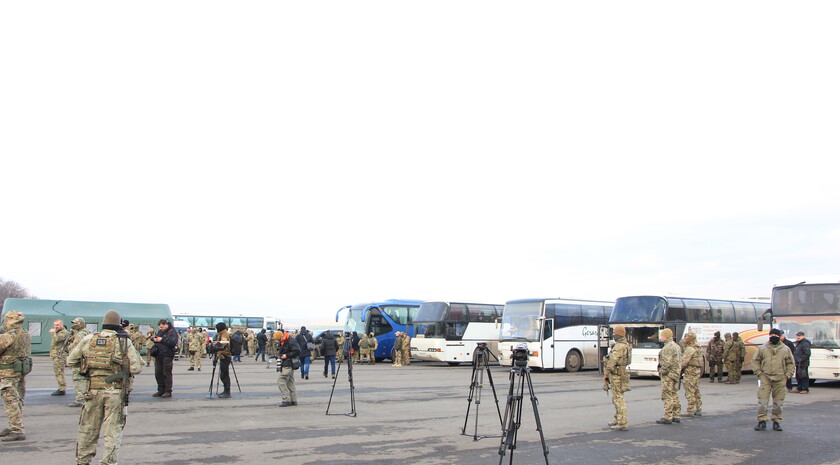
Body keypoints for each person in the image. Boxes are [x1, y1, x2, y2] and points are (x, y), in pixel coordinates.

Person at [68, 309, 142, 464]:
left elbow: (71, 361)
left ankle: (83, 460)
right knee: (112, 431)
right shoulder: (123, 342)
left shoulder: (88, 339)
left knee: (88, 428)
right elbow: (136, 368)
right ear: (118, 324)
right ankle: (108, 461)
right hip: (115, 392)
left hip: (92, 390)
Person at [753, 328, 794, 431]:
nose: (774, 338)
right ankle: (761, 421)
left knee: (778, 403)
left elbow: (791, 363)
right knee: (762, 401)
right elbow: (755, 361)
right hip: (765, 377)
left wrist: (787, 375)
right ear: (769, 336)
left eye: (776, 336)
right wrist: (759, 373)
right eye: (772, 336)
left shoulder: (785, 349)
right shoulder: (763, 348)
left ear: (779, 337)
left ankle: (776, 421)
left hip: (780, 378)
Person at [0, 311, 31, 442]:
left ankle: (17, 429)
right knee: (17, 399)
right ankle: (14, 425)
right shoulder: (26, 333)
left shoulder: (8, 336)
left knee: (10, 400)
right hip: (20, 370)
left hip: (8, 372)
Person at [604, 325, 631, 431]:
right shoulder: (626, 345)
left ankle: (622, 422)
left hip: (616, 375)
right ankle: (618, 419)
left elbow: (612, 362)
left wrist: (606, 373)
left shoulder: (619, 346)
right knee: (616, 398)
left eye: (614, 333)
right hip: (622, 373)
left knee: (618, 398)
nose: (613, 335)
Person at [656, 328, 682, 425]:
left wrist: (661, 372)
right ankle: (676, 415)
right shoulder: (676, 346)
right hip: (675, 374)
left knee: (667, 395)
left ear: (665, 336)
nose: (660, 337)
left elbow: (666, 363)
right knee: (674, 394)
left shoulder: (667, 347)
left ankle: (667, 416)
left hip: (668, 375)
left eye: (662, 335)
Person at [67, 317, 91, 407]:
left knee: (78, 380)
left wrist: (69, 348)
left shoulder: (80, 334)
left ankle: (80, 399)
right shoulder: (85, 333)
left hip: (79, 361)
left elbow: (76, 347)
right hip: (83, 360)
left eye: (76, 323)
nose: (74, 325)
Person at [151, 319, 178, 398]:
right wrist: (154, 339)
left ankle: (168, 391)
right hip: (159, 354)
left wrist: (162, 339)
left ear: (166, 324)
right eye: (160, 327)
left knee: (166, 373)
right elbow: (158, 339)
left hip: (167, 355)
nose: (161, 328)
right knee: (158, 373)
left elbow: (173, 342)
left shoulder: (172, 332)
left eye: (162, 327)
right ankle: (161, 390)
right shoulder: (160, 332)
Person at [274, 329, 300, 406]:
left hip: (288, 363)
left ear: (282, 336)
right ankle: (293, 400)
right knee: (290, 382)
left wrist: (287, 355)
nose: (279, 341)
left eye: (279, 339)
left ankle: (286, 400)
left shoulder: (290, 340)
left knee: (281, 381)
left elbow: (297, 350)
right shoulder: (285, 340)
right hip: (288, 363)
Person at [681, 332, 703, 416]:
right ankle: (698, 408)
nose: (685, 338)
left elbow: (684, 362)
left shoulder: (690, 349)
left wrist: (678, 369)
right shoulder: (698, 347)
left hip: (690, 371)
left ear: (690, 338)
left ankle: (690, 410)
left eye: (686, 337)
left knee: (689, 390)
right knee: (696, 390)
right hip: (697, 371)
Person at [49, 318, 70, 396]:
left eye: (57, 325)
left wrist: (53, 332)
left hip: (60, 356)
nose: (56, 327)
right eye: (55, 325)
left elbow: (57, 339)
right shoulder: (58, 332)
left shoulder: (64, 333)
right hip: (55, 355)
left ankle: (62, 388)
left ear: (61, 325)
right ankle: (61, 387)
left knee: (59, 372)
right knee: (57, 372)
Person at [212, 322, 232, 398]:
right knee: (224, 373)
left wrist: (218, 345)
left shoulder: (224, 334)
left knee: (224, 374)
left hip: (225, 356)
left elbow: (224, 342)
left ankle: (227, 391)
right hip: (225, 355)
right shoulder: (224, 333)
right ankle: (226, 391)